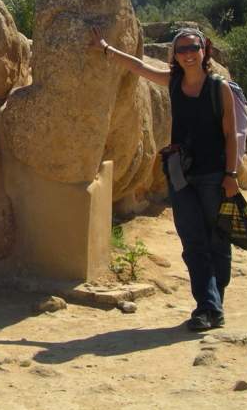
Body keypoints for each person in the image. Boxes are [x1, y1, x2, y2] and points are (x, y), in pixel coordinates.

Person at [91, 26, 238, 331]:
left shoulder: (218, 88)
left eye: (193, 48)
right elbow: (138, 67)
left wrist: (231, 174)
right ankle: (207, 307)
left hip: (214, 174)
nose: (188, 54)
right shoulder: (173, 82)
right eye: (181, 49)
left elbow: (230, 134)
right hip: (180, 173)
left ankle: (214, 302)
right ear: (175, 55)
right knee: (193, 241)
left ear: (204, 51)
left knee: (217, 240)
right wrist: (106, 47)